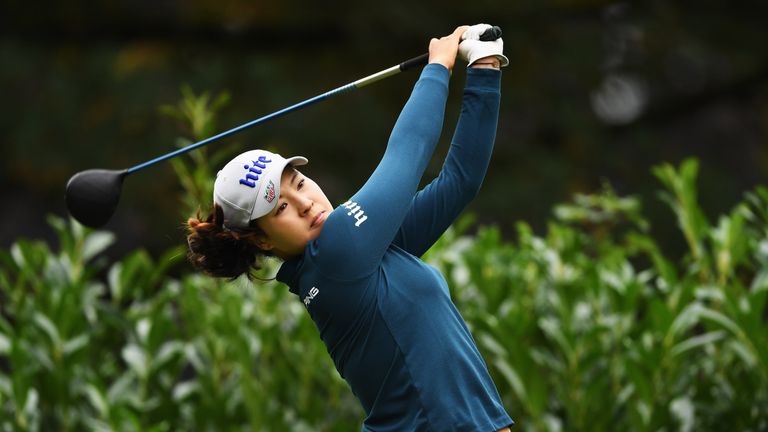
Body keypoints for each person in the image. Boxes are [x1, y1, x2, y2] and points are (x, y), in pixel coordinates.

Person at [187, 24, 513, 432]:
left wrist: (484, 70)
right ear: (262, 239)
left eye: (300, 183)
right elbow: (406, 155)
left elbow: (459, 180)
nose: (306, 203)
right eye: (281, 205)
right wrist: (438, 67)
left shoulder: (364, 254)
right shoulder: (337, 254)